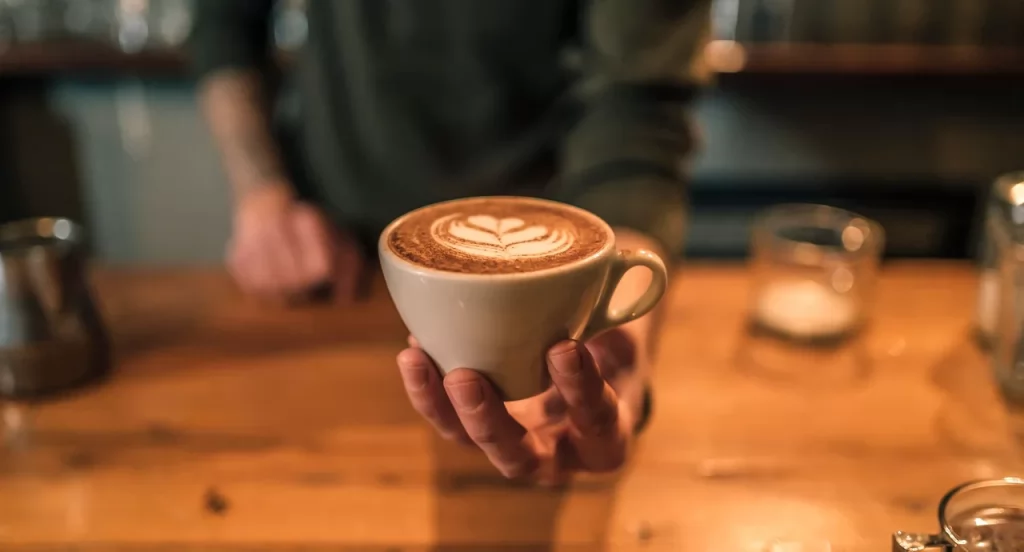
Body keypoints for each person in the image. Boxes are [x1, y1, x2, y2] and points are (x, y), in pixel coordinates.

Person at [191, 0, 712, 482]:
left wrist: (614, 327)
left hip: (545, 297)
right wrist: (262, 193)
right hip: (332, 270)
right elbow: (222, 20)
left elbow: (639, 101)